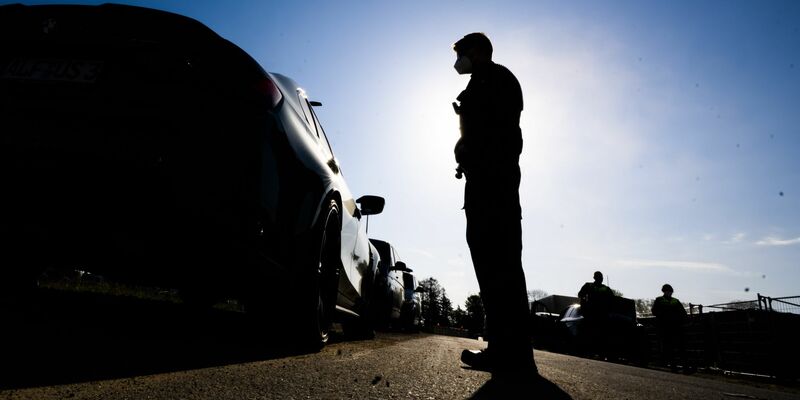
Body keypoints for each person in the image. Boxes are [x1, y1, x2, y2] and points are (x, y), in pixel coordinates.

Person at [452, 32, 536, 375]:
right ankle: (508, 351)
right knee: (493, 265)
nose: (458, 62)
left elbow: (500, 134)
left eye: (461, 54)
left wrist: (469, 150)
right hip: (486, 182)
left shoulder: (496, 79)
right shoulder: (484, 82)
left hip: (493, 185)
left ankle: (510, 353)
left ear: (478, 51)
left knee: (499, 264)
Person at [651, 283, 689, 372]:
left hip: (675, 327)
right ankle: (674, 366)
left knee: (679, 347)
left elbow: (683, 313)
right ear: (664, 291)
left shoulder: (674, 301)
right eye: (668, 291)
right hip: (666, 327)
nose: (669, 293)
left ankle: (684, 367)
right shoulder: (660, 300)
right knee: (671, 347)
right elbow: (654, 311)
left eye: (670, 291)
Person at [577, 271, 614, 355]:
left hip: (598, 315)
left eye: (600, 277)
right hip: (593, 314)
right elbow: (580, 295)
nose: (600, 279)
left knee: (596, 333)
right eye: (599, 277)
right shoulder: (591, 286)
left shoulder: (603, 288)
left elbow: (612, 300)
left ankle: (596, 351)